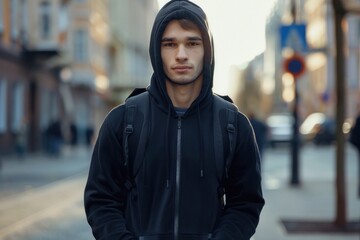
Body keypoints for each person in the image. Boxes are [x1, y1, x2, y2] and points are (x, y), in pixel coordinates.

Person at [84, 1, 264, 239]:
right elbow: (101, 200)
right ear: (156, 51)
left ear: (207, 50)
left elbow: (245, 204)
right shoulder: (123, 121)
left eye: (192, 43)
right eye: (170, 44)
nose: (181, 54)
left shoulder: (232, 125)